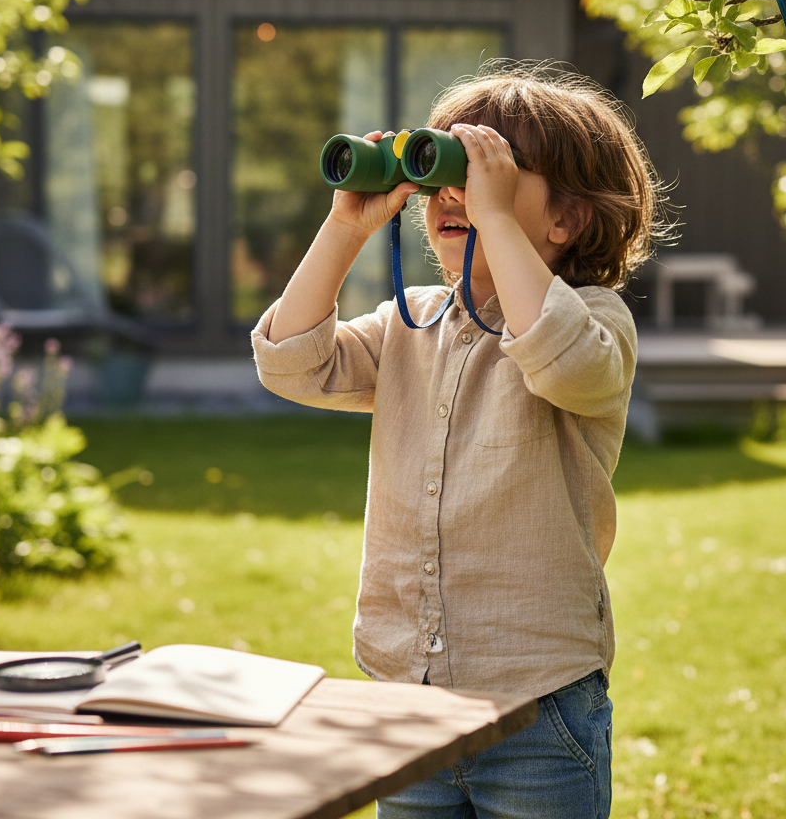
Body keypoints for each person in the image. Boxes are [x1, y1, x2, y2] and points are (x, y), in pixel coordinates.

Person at [250, 62, 667, 819]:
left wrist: (495, 219)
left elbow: (563, 360)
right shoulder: (410, 322)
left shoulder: (596, 320)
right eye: (441, 170)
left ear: (566, 220)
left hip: (536, 704)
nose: (453, 194)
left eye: (483, 173)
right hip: (407, 698)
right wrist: (345, 227)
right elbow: (291, 363)